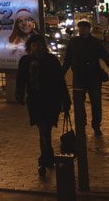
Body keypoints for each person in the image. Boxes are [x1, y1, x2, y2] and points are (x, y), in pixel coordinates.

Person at [16, 33, 71, 177]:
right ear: (30, 46)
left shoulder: (51, 60)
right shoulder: (25, 61)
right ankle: (46, 159)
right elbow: (21, 79)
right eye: (34, 45)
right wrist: (19, 94)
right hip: (35, 101)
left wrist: (66, 101)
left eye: (39, 45)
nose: (37, 48)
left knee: (45, 130)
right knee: (43, 130)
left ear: (43, 46)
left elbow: (60, 81)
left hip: (51, 100)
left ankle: (45, 159)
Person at [61, 19, 109, 136]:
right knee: (78, 103)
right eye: (80, 28)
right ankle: (81, 123)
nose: (82, 30)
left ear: (89, 29)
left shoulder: (95, 42)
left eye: (84, 28)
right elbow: (67, 59)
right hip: (78, 77)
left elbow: (105, 56)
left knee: (96, 103)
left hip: (94, 77)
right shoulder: (73, 42)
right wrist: (62, 74)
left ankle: (96, 126)